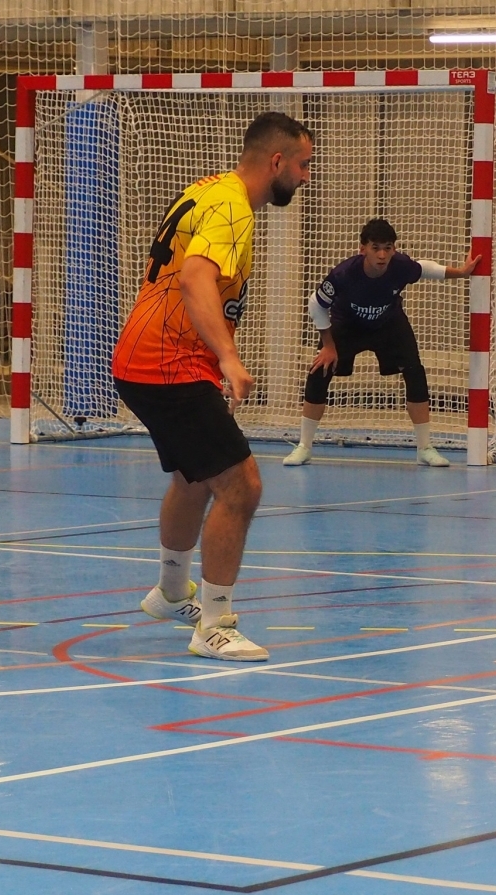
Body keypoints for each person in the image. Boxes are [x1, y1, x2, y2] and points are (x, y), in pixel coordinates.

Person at [112, 111, 313, 662]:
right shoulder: (232, 207)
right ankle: (215, 624)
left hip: (145, 358)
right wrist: (227, 356)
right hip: (168, 362)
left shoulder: (209, 188)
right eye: (302, 165)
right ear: (276, 161)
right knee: (241, 486)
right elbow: (196, 276)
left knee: (194, 476)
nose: (305, 177)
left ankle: (171, 592)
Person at [282, 219, 481, 467]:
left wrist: (461, 272)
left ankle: (425, 448)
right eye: (375, 248)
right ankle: (304, 447)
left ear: (394, 249)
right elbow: (316, 304)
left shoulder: (401, 266)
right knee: (318, 372)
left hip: (388, 323)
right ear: (362, 249)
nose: (382, 255)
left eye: (388, 248)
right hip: (347, 325)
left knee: (415, 372)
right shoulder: (343, 274)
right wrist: (329, 346)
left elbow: (423, 268)